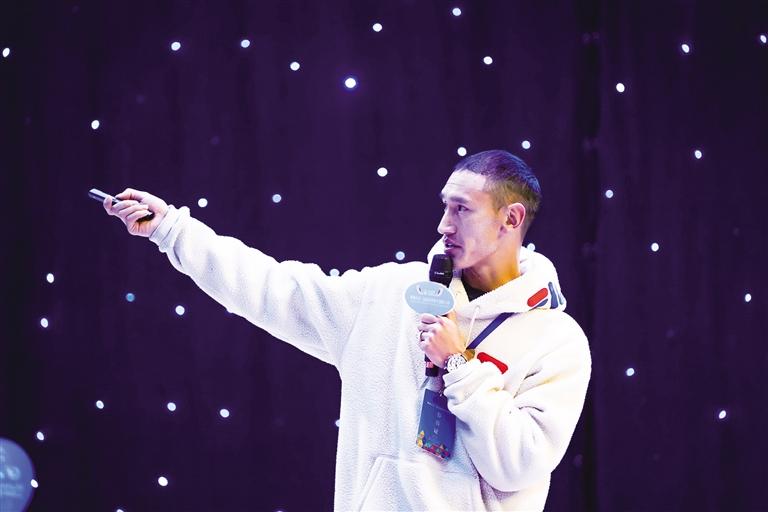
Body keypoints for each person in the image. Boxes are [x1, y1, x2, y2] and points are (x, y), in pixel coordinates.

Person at [104, 149, 591, 511]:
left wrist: (461, 366)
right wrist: (173, 230)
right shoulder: (390, 293)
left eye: (462, 209)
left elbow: (519, 464)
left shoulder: (556, 340)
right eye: (444, 206)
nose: (443, 224)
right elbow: (275, 290)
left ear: (511, 218)